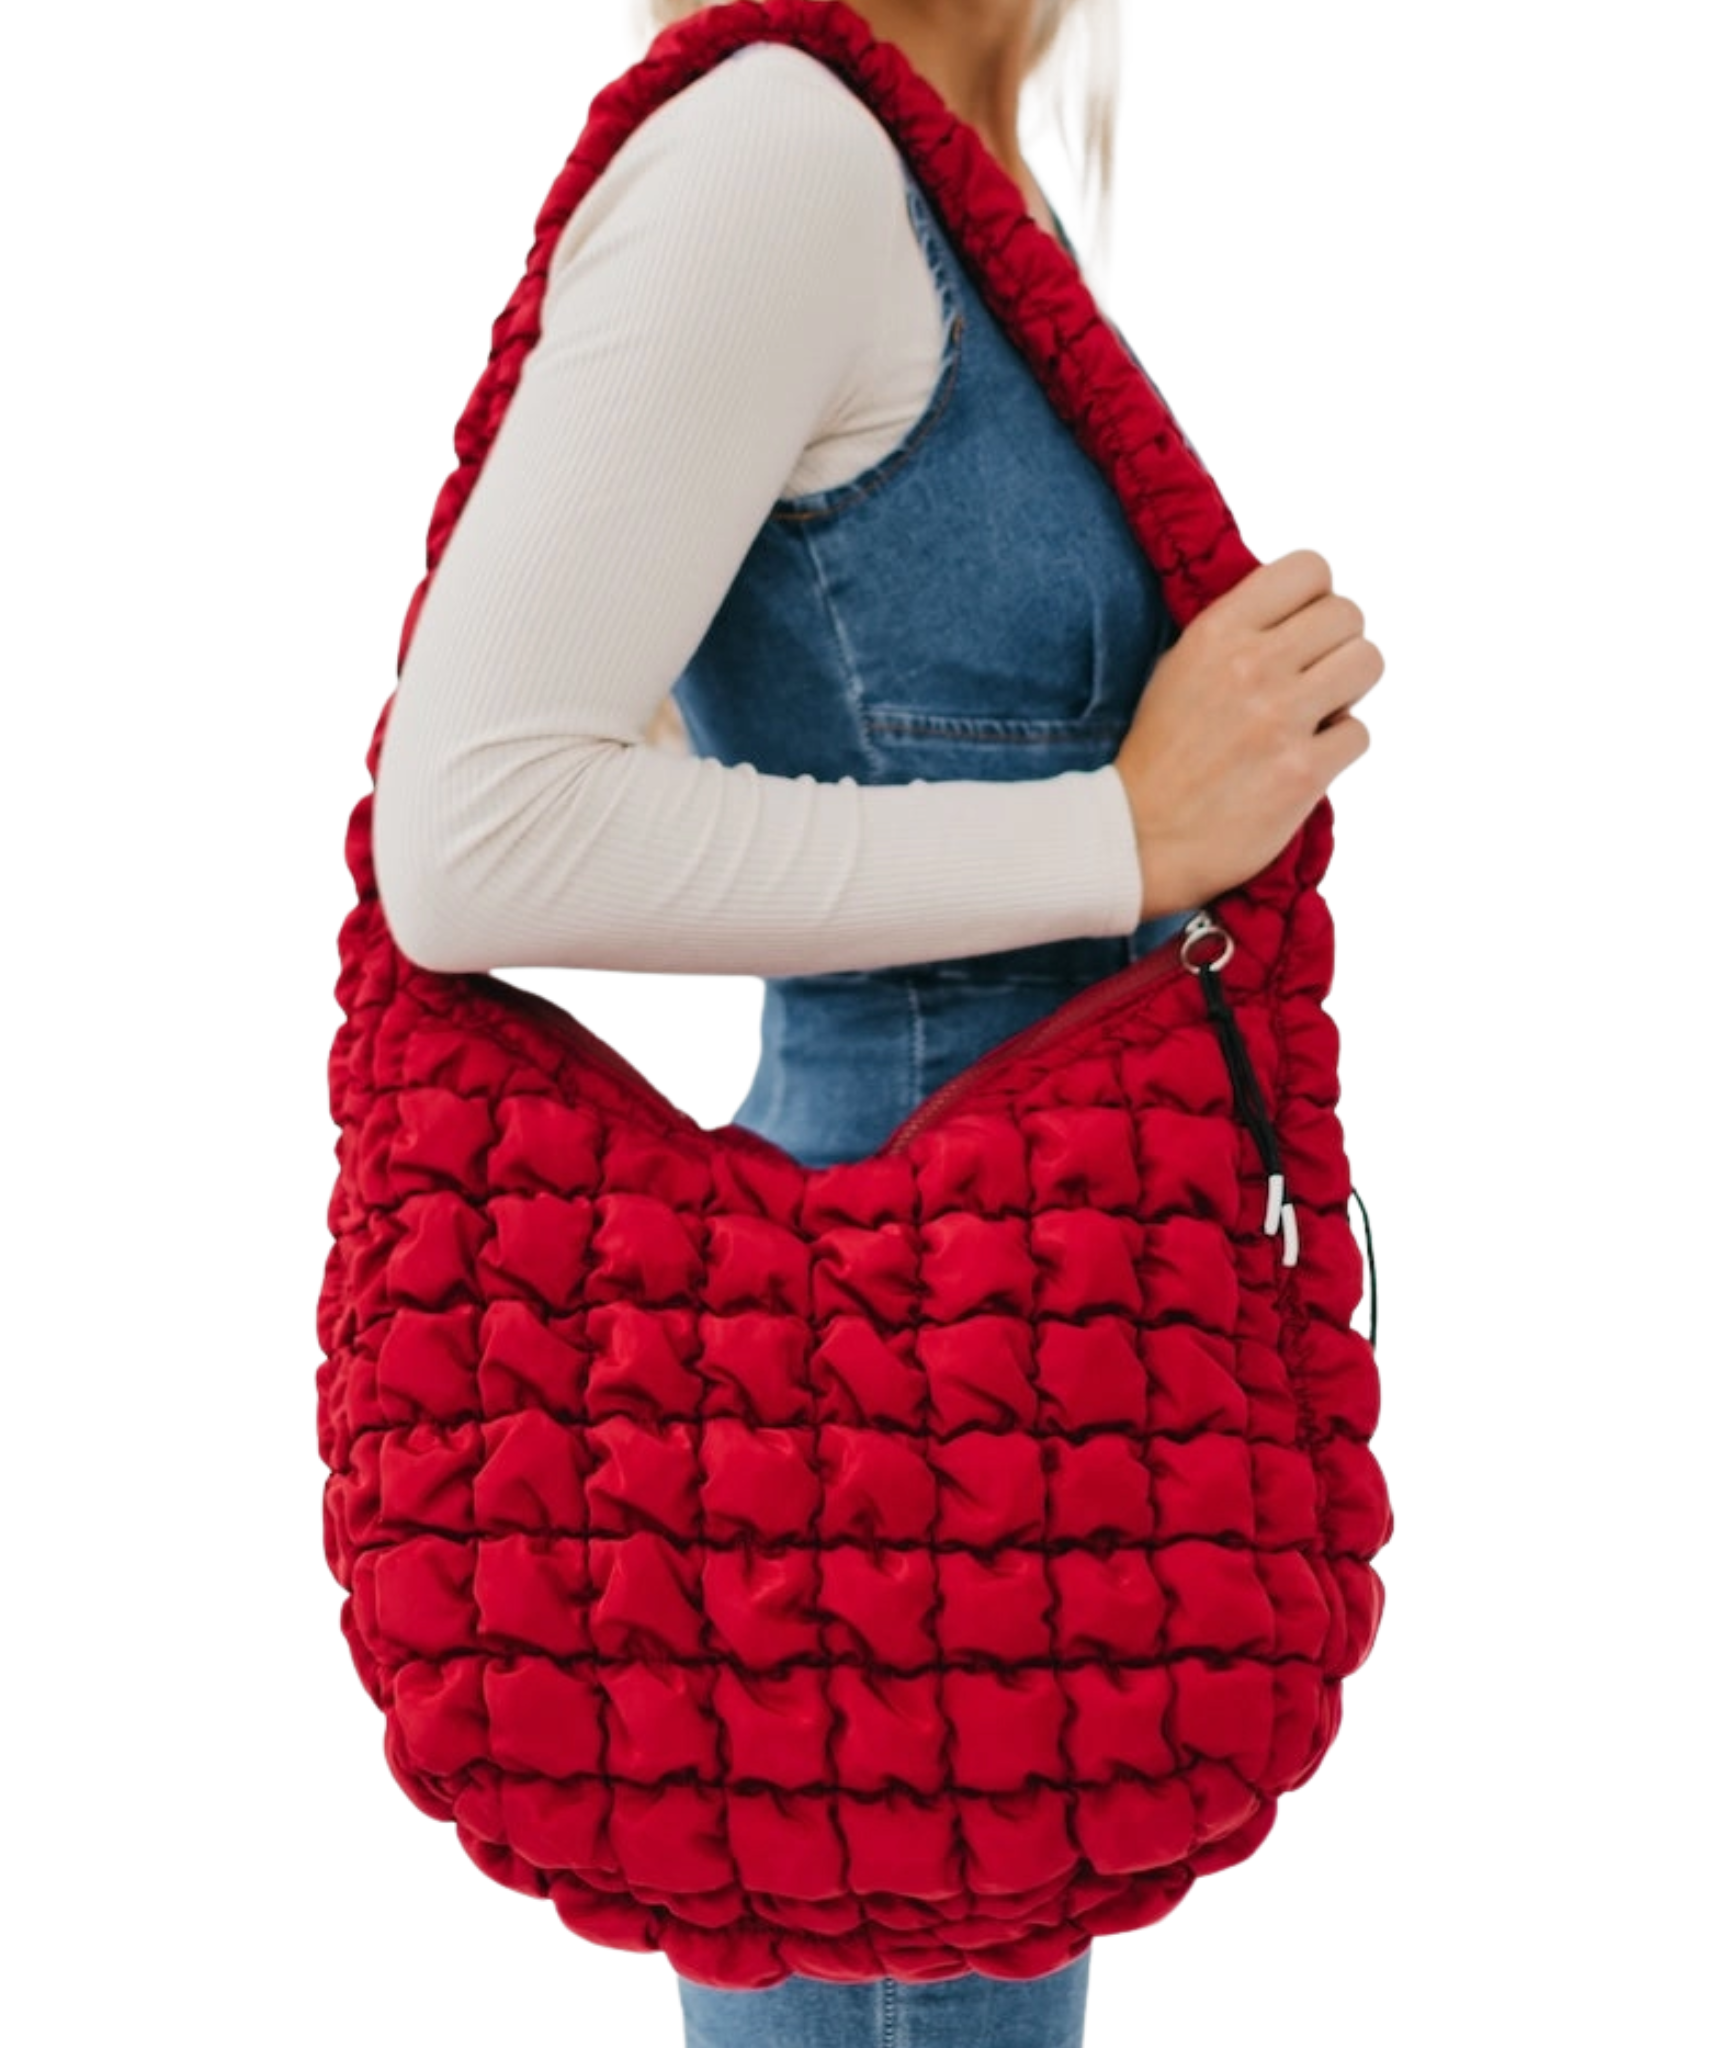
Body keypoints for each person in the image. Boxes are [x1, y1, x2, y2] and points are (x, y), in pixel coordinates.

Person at [371, 0, 1382, 2039]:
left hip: (1017, 1350)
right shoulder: (783, 153)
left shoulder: (938, 165)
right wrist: (1122, 831)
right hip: (903, 1410)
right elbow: (466, 838)